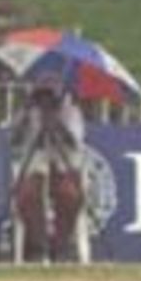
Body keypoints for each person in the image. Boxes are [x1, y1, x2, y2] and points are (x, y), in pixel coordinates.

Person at [8, 76, 85, 262]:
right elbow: (12, 140)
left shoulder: (71, 112)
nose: (45, 101)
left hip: (64, 165)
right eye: (41, 95)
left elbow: (74, 143)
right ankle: (37, 245)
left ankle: (61, 245)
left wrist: (57, 125)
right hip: (35, 165)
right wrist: (25, 116)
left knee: (70, 195)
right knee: (27, 195)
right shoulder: (28, 112)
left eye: (49, 96)